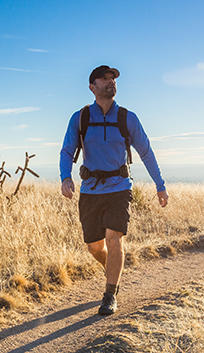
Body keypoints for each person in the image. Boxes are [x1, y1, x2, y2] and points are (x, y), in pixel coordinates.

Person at [59, 65, 168, 315]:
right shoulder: (81, 118)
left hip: (119, 188)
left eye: (113, 79)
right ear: (92, 87)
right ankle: (113, 270)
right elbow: (67, 151)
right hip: (90, 190)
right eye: (104, 79)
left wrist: (160, 185)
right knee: (94, 247)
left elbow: (146, 152)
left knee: (113, 238)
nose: (111, 82)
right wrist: (66, 177)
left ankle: (110, 294)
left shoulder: (127, 118)